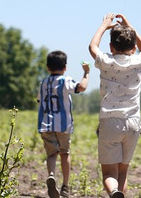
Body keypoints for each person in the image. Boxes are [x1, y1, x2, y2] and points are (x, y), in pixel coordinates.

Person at [88, 13, 141, 198]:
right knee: (123, 171)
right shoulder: (138, 62)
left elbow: (92, 46)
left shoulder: (106, 61)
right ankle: (119, 192)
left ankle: (114, 192)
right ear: (133, 48)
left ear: (111, 47)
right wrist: (129, 26)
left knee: (109, 173)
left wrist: (104, 25)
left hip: (110, 122)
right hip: (133, 123)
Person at [37, 50, 90, 198]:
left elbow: (39, 101)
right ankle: (65, 186)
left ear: (48, 68)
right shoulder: (65, 81)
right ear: (65, 67)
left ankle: (52, 175)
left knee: (51, 154)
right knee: (65, 153)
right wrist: (86, 73)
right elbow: (81, 87)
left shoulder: (43, 83)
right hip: (63, 125)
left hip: (46, 124)